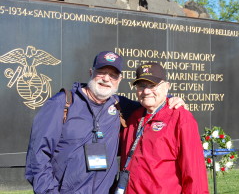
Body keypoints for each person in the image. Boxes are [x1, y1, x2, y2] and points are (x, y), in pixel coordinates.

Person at [25, 51, 185, 194]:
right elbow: (37, 156)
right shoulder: (62, 104)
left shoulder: (119, 105)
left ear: (119, 80)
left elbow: (149, 102)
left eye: (113, 75)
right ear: (90, 72)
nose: (106, 78)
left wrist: (170, 99)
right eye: (101, 72)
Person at [120, 63, 209, 194]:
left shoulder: (180, 117)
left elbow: (194, 173)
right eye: (141, 86)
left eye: (152, 85)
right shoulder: (133, 118)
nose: (146, 91)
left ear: (167, 87)